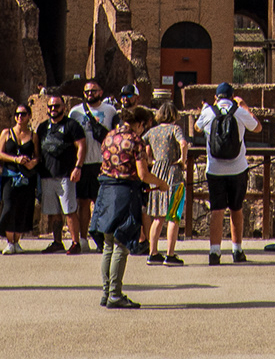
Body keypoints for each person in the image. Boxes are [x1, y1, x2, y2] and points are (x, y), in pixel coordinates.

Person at [89, 103, 147, 310]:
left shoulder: (109, 136)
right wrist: (160, 183)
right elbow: (142, 174)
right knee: (121, 244)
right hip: (125, 192)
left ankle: (106, 292)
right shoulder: (135, 140)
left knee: (108, 244)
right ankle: (115, 293)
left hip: (106, 191)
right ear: (139, 124)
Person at [198, 83, 257, 265]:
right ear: (232, 96)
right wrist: (245, 107)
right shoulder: (239, 112)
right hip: (237, 168)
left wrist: (204, 110)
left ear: (216, 97)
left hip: (214, 169)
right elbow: (257, 127)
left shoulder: (209, 112)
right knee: (236, 209)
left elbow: (196, 128)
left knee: (217, 210)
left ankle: (214, 253)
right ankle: (237, 250)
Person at [33, 95, 89, 255]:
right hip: (47, 174)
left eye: (56, 106)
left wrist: (78, 167)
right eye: (50, 106)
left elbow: (81, 146)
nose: (53, 109)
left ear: (64, 107)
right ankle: (57, 242)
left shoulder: (72, 125)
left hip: (66, 174)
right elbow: (38, 149)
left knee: (69, 210)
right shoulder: (43, 127)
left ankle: (75, 242)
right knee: (53, 212)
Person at [143, 98, 192, 266]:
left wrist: (150, 161)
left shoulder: (152, 132)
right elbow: (183, 143)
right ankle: (170, 254)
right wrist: (182, 160)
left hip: (156, 174)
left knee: (157, 216)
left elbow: (144, 147)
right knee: (173, 215)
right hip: (173, 172)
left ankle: (153, 252)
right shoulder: (175, 129)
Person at [0, 102, 41, 255]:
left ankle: (16, 241)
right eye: (17, 114)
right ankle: (9, 241)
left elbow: (37, 155)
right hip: (10, 176)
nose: (20, 117)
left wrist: (33, 163)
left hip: (26, 177)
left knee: (23, 208)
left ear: (29, 116)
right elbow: (0, 154)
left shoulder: (33, 136)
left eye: (23, 114)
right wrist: (16, 159)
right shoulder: (6, 133)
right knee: (8, 207)